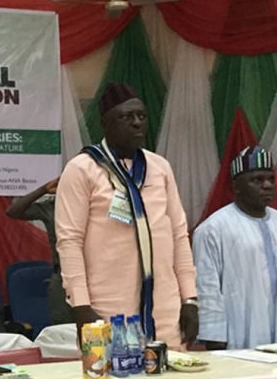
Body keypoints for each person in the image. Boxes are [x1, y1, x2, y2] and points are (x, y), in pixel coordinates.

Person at [56, 82, 198, 350]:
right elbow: (69, 242)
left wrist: (189, 299)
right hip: (106, 308)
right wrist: (81, 305)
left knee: (170, 374)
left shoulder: (160, 167)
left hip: (164, 309)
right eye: (126, 116)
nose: (136, 123)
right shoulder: (81, 169)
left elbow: (179, 235)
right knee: (111, 374)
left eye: (141, 116)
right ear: (105, 123)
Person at [194, 147, 277, 349]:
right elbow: (208, 288)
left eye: (270, 179)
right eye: (257, 180)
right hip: (238, 335)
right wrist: (214, 336)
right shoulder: (213, 229)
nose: (267, 185)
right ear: (236, 186)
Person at [5, 177, 73, 325]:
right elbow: (12, 211)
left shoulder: (95, 204)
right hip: (62, 276)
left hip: (93, 275)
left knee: (97, 326)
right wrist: (43, 190)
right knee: (62, 327)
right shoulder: (52, 207)